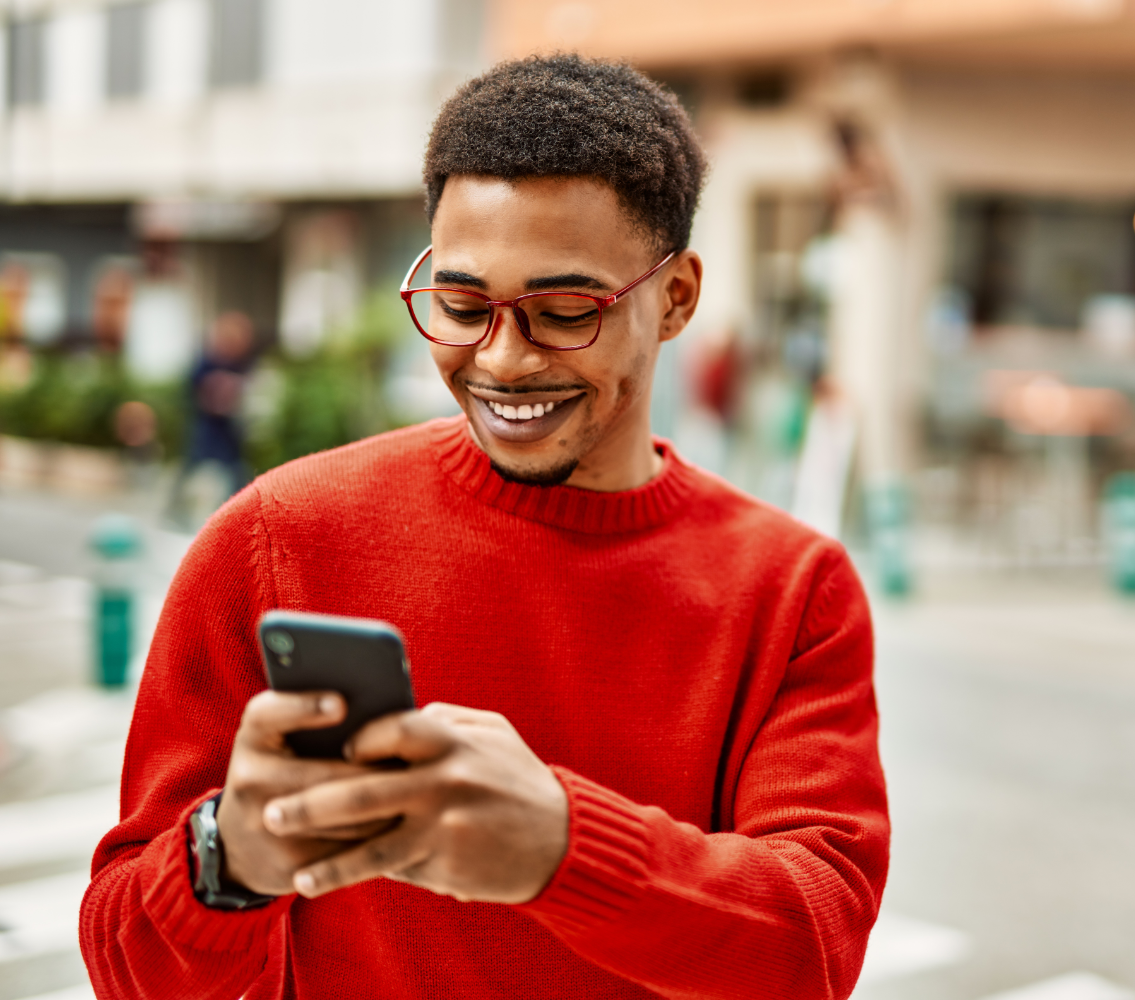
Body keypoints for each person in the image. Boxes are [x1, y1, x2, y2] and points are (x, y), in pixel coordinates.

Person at [82, 55, 888, 1000]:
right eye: (462, 306)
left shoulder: (791, 587)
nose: (502, 360)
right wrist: (228, 858)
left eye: (562, 312)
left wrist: (564, 849)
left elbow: (813, 947)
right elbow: (126, 967)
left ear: (675, 300)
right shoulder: (276, 536)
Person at [164, 309, 255, 524]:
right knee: (190, 466)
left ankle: (240, 516)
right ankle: (174, 511)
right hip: (206, 429)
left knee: (236, 473)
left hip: (228, 431)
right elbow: (193, 389)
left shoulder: (240, 365)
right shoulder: (206, 362)